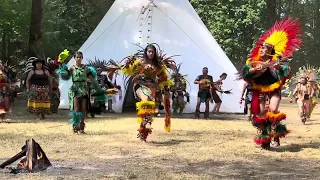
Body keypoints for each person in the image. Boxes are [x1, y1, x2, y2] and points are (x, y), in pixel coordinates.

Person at [240, 18, 302, 150]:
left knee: (273, 110)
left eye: (264, 48)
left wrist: (279, 68)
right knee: (262, 113)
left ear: (270, 51)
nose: (261, 49)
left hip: (274, 90)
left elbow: (286, 70)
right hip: (260, 90)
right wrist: (253, 70)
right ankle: (265, 138)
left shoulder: (276, 62)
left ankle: (276, 134)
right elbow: (246, 72)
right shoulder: (254, 62)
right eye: (261, 47)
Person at [119, 44, 175, 142]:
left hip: (152, 87)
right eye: (149, 51)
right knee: (146, 100)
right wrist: (128, 65)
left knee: (150, 111)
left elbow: (163, 78)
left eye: (152, 52)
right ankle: (144, 128)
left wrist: (166, 89)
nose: (150, 53)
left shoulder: (158, 65)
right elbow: (130, 71)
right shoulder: (140, 62)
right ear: (146, 52)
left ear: (154, 53)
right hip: (139, 85)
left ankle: (143, 130)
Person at [57, 51, 98, 133]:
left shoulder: (86, 68)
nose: (79, 58)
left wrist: (97, 87)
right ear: (75, 58)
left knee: (83, 108)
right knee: (76, 108)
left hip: (84, 89)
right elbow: (66, 75)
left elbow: (91, 78)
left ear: (82, 58)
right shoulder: (72, 68)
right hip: (75, 89)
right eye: (77, 57)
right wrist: (61, 65)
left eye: (80, 57)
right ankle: (75, 126)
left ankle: (82, 125)